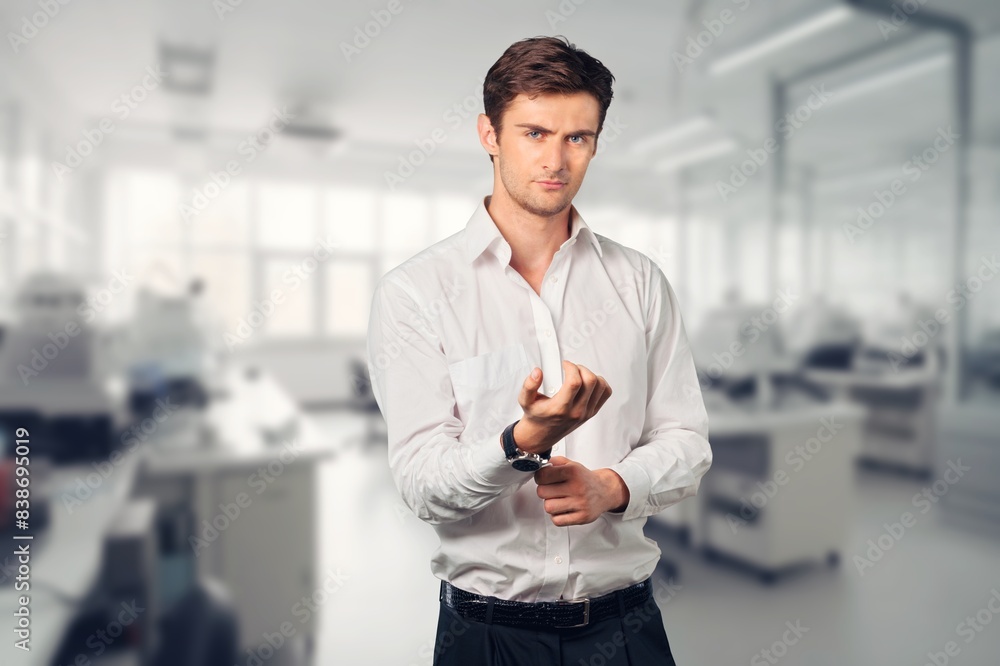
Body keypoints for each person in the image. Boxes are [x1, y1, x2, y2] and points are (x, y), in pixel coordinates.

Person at [366, 35, 712, 665]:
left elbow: (688, 440)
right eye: (534, 133)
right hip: (489, 635)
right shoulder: (416, 293)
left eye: (578, 137)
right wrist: (520, 442)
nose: (556, 159)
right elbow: (421, 485)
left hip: (626, 626)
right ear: (489, 134)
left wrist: (614, 486)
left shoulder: (638, 282)